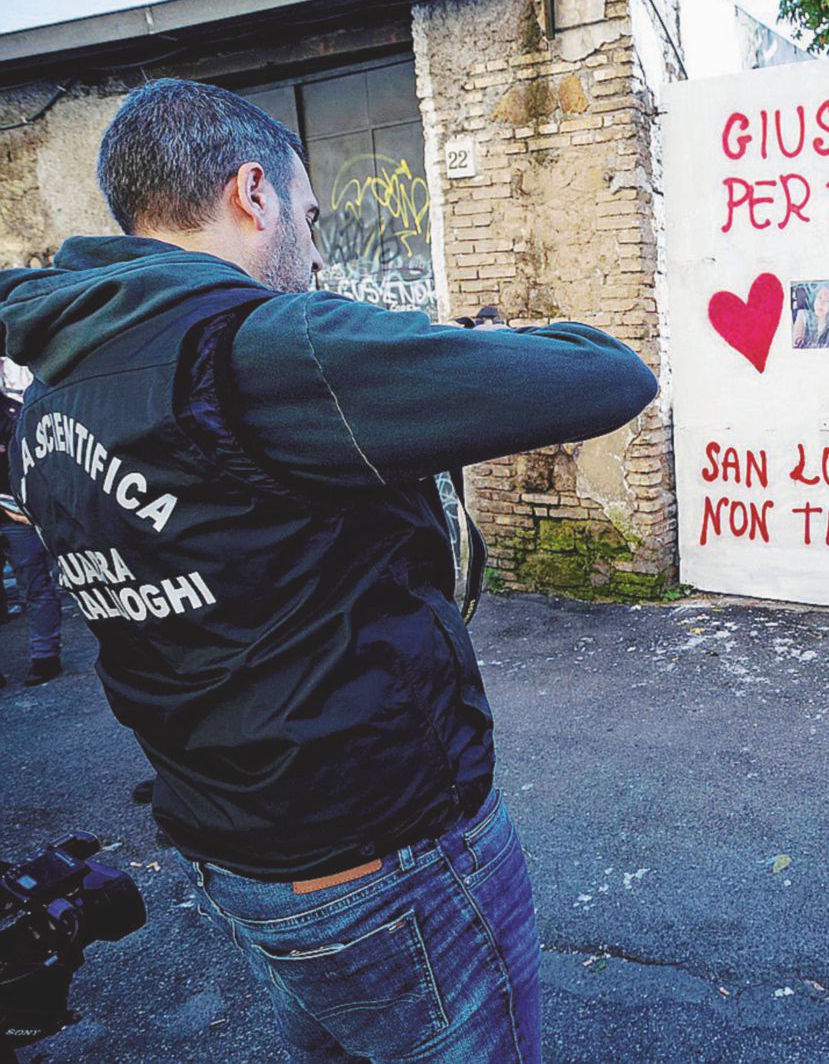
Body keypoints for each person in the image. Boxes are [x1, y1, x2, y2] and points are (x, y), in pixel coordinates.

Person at [0, 78, 658, 1062]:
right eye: (308, 219)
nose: (316, 251)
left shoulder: (57, 389)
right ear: (252, 193)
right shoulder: (267, 348)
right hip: (385, 855)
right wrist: (465, 351)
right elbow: (607, 374)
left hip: (239, 851)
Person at [0, 388, 62, 687]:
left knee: (35, 585)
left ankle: (45, 655)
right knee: (35, 586)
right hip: (15, 513)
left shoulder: (16, 412)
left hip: (17, 513)